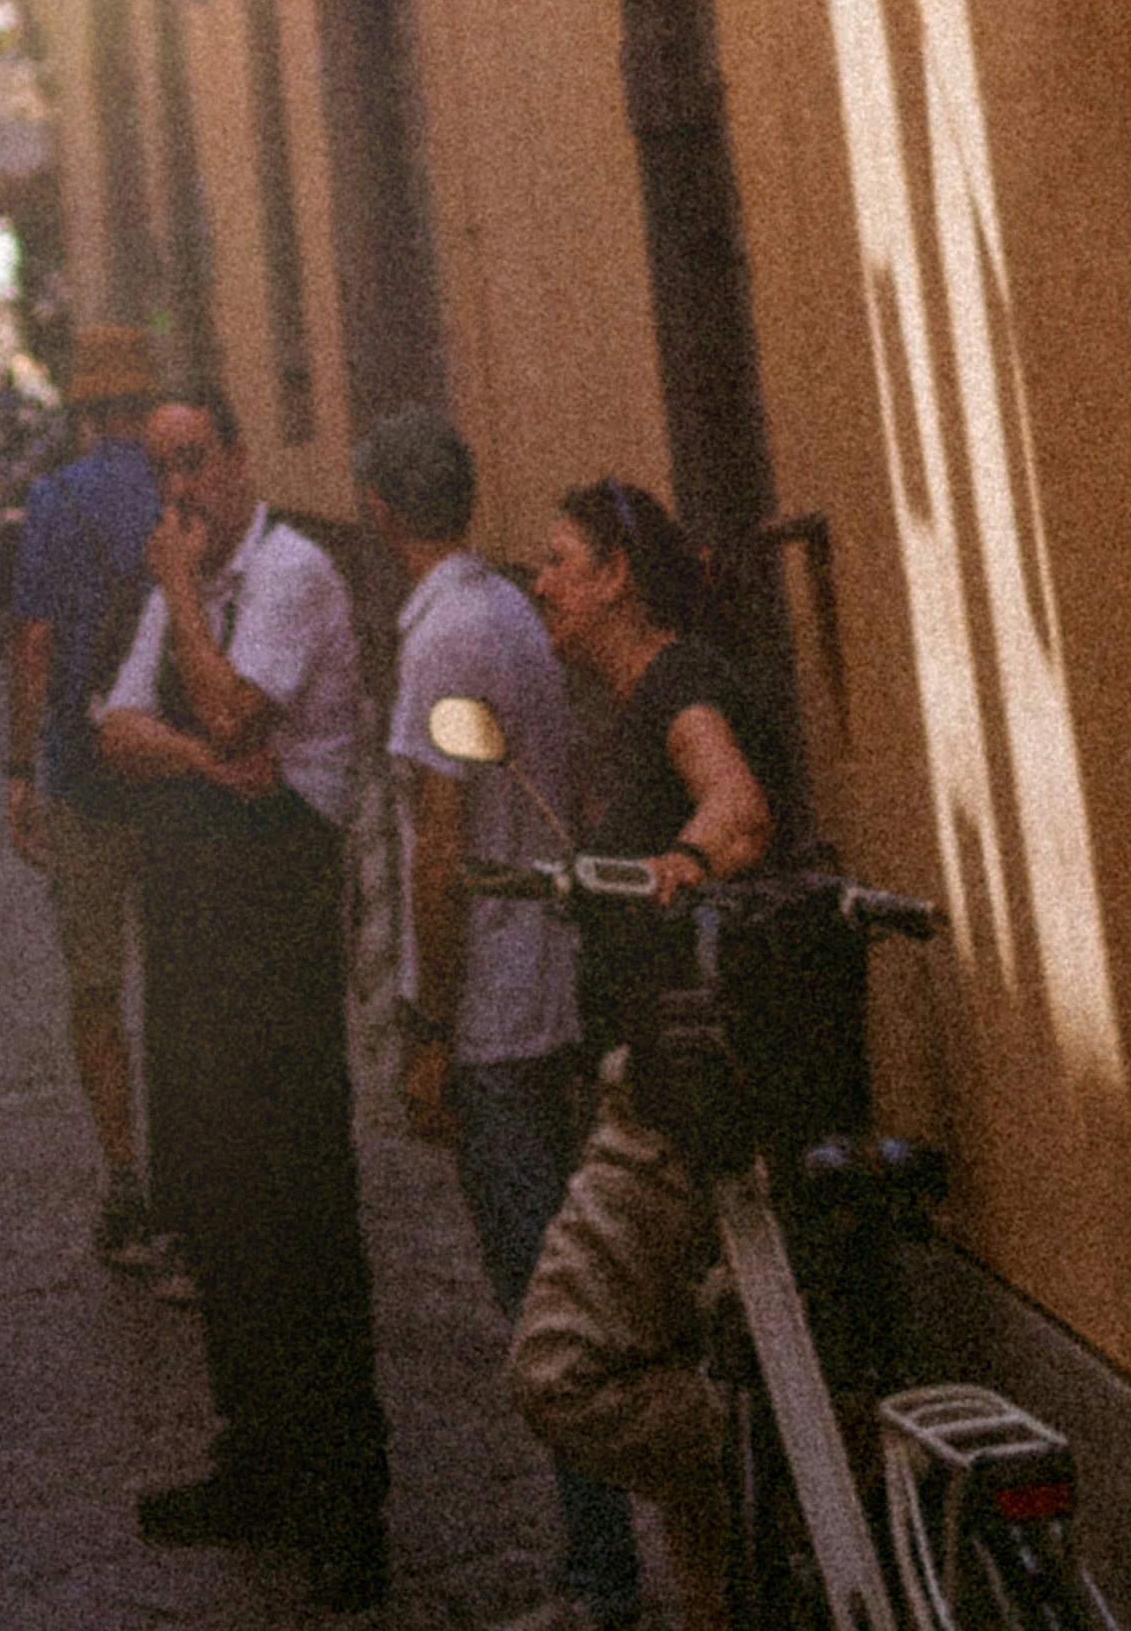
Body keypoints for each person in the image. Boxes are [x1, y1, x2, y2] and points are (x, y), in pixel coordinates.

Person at [92, 389, 389, 1610]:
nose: (182, 491)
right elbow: (111, 727)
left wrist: (178, 616)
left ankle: (346, 1504)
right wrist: (211, 759)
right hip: (192, 917)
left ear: (242, 458)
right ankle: (255, 1457)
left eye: (197, 462)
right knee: (213, 1197)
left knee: (299, 1209)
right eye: (162, 468)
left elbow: (225, 704)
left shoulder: (289, 572)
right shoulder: (197, 589)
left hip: (273, 921)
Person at [497, 481, 793, 1627]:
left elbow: (738, 805)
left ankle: (755, 1422)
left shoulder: (677, 683)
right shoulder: (635, 700)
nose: (541, 582)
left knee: (561, 1372)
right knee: (666, 1368)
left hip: (674, 1100)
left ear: (619, 571)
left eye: (560, 559)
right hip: (681, 1076)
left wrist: (683, 857)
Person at [356, 414, 628, 1631]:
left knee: (541, 1295)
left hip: (500, 1011)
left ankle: (600, 1573)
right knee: (567, 1276)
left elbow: (439, 845)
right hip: (548, 975)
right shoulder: (510, 608)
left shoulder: (445, 636)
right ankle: (612, 1553)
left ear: (373, 507)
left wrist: (428, 1022)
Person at [5, 319, 179, 1272]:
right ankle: (195, 1177)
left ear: (81, 409)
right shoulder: (178, 492)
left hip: (81, 772)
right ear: (147, 406)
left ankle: (123, 1178)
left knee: (95, 987)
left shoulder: (52, 501)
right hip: (169, 769)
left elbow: (33, 644)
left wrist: (17, 769)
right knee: (180, 978)